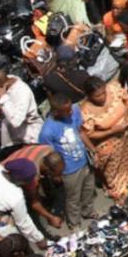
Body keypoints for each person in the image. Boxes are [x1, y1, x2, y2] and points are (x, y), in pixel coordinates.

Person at [79, 76, 128, 201]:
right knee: (113, 166)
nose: (103, 97)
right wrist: (111, 131)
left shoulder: (114, 88)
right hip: (109, 139)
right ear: (89, 96)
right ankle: (117, 187)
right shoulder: (85, 111)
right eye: (97, 96)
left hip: (127, 130)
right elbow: (89, 134)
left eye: (103, 93)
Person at [39, 92, 95, 230]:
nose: (71, 112)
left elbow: (80, 132)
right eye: (67, 111)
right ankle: (74, 222)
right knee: (72, 198)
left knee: (89, 189)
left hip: (84, 160)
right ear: (57, 112)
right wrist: (56, 175)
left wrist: (93, 150)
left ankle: (88, 212)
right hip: (69, 169)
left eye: (71, 108)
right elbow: (49, 156)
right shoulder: (47, 131)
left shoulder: (75, 110)